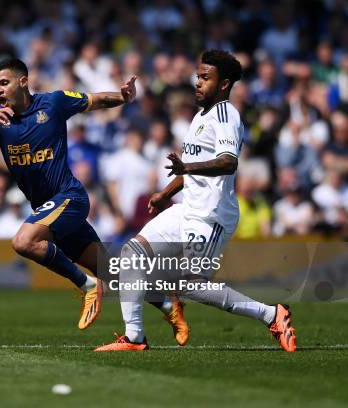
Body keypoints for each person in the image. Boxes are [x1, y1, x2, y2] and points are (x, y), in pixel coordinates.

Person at [0, 58, 183, 333]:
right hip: (47, 208)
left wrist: (122, 97)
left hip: (70, 197)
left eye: (4, 83)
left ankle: (86, 285)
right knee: (109, 268)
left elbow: (95, 100)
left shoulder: (53, 103)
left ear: (23, 81)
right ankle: (170, 308)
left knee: (23, 241)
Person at [95, 50, 297, 352]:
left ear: (224, 84)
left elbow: (228, 162)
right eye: (198, 76)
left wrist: (186, 169)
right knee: (132, 253)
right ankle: (134, 337)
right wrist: (166, 193)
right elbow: (193, 166)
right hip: (187, 208)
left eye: (205, 77)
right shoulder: (201, 116)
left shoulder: (227, 116)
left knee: (192, 286)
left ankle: (271, 314)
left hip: (211, 216)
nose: (197, 83)